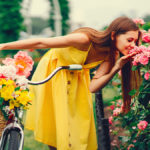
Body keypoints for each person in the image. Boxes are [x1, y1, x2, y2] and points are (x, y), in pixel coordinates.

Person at [0, 16, 141, 150]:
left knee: (78, 128)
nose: (132, 45)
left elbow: (93, 86)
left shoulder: (112, 55)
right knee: (57, 127)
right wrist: (3, 46)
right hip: (54, 72)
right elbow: (42, 43)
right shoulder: (84, 39)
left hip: (77, 79)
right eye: (129, 40)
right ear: (113, 35)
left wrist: (116, 67)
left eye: (135, 42)